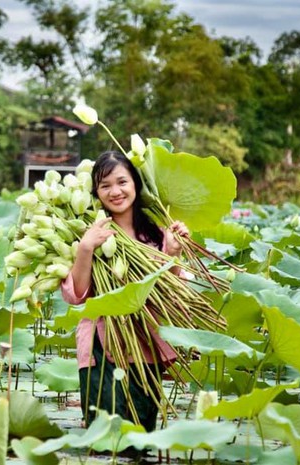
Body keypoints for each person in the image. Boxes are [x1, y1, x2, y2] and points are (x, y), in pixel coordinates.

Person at [61, 150, 189, 434]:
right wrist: (85, 247)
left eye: (122, 182)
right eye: (105, 186)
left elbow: (169, 292)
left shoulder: (157, 235)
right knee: (104, 440)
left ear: (135, 184)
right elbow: (75, 296)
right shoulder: (85, 231)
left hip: (145, 344)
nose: (115, 191)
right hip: (101, 349)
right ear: (95, 193)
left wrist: (174, 252)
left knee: (141, 438)